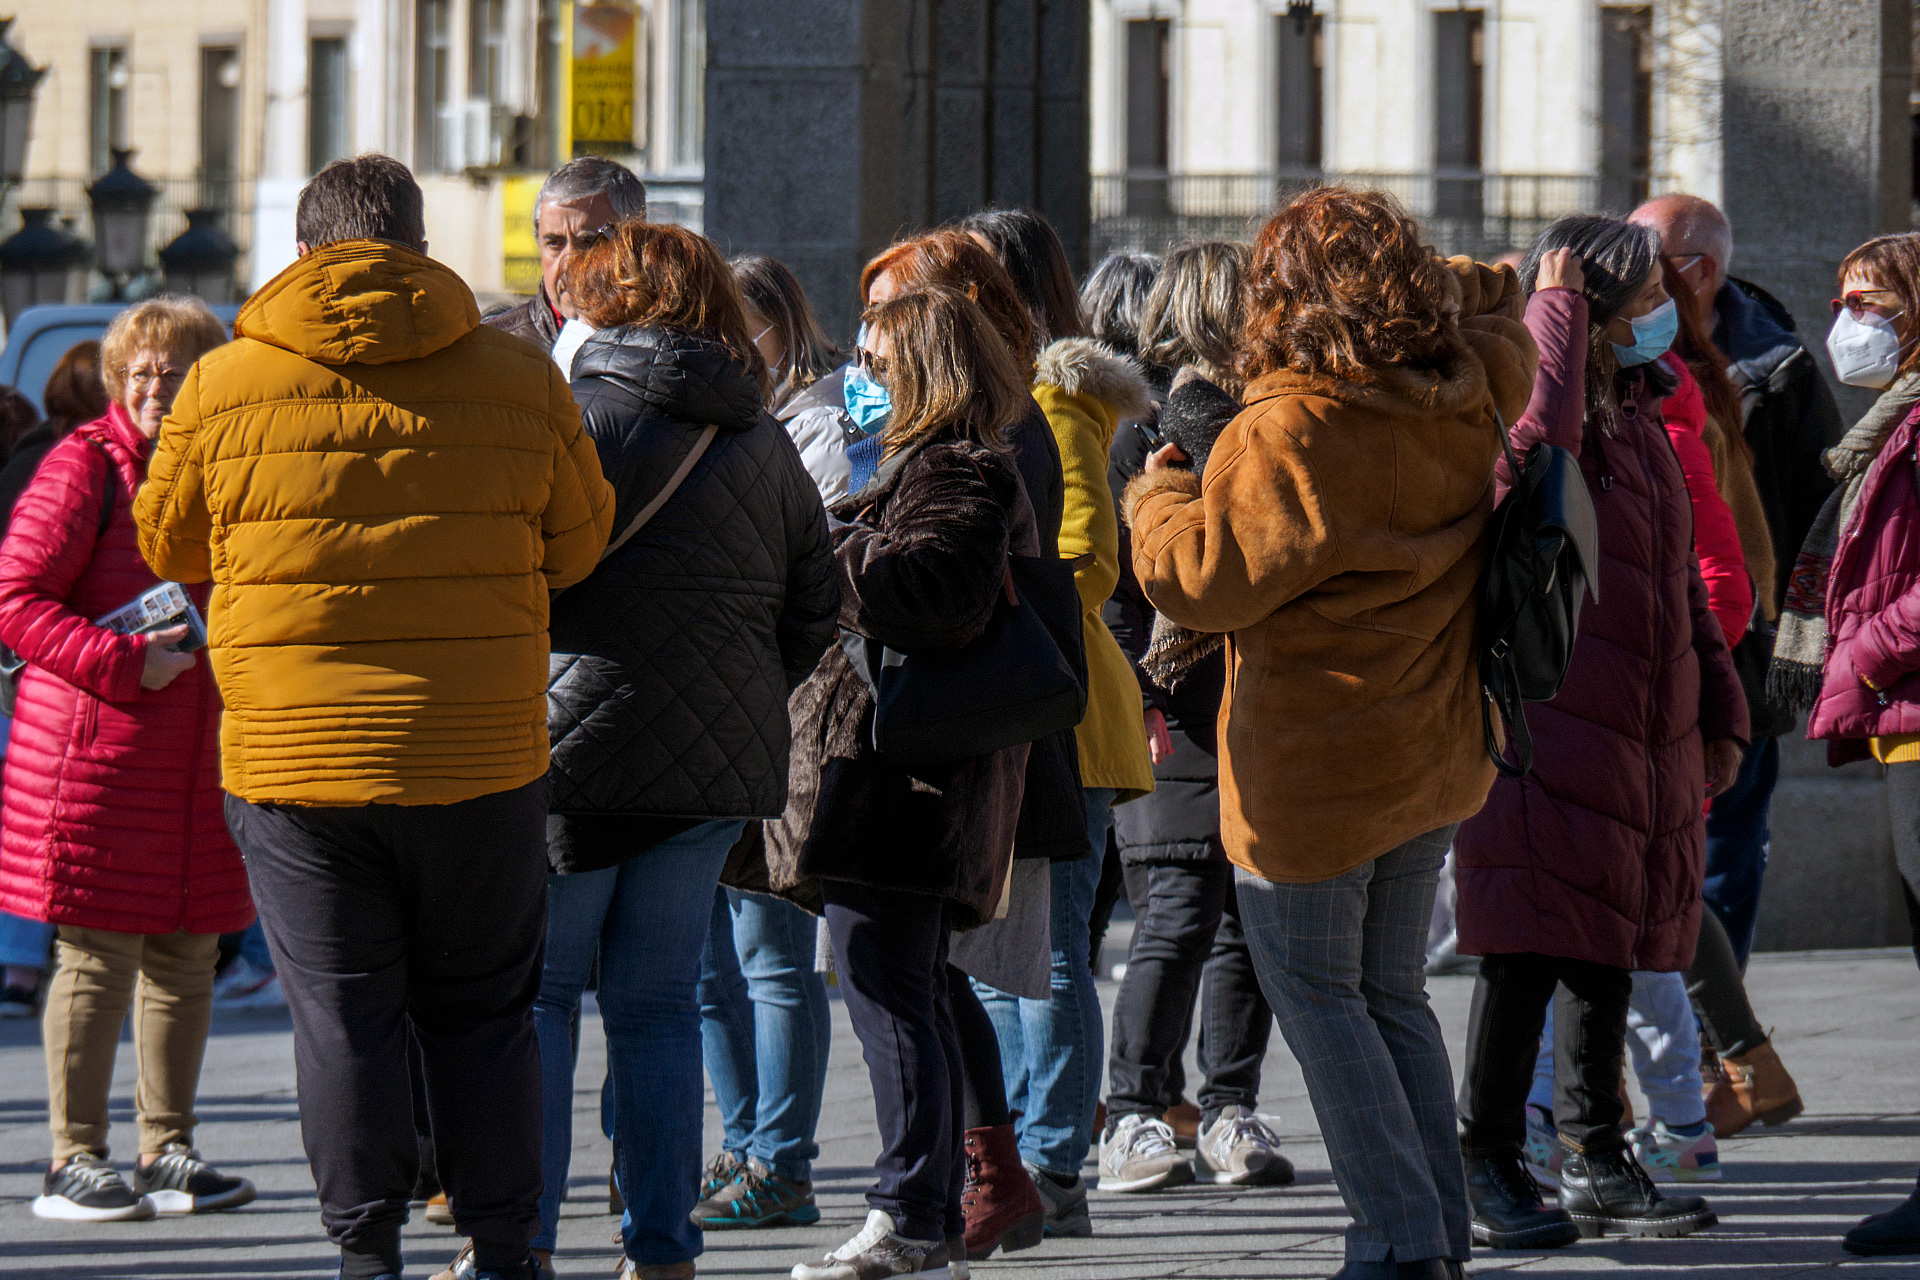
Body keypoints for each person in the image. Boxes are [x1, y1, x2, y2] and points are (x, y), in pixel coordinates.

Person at [134, 155, 615, 1280]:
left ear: (305, 254)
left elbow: (168, 543)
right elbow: (580, 542)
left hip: (295, 763)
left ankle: (367, 1250)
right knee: (486, 1011)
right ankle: (503, 1244)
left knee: (344, 1019)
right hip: (481, 753)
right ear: (419, 244)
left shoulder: (222, 384)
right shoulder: (520, 375)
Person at [1125, 185, 1537, 1279]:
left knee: (1320, 998)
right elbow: (1503, 292)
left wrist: (1155, 504)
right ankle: (1433, 1232)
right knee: (1392, 995)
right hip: (1433, 744)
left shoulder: (1289, 425)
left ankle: (1398, 1241)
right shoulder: (1464, 387)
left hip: (1316, 768)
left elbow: (1204, 583)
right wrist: (1439, 280)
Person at [499, 222, 838, 1279]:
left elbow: (521, 578)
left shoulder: (575, 420)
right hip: (711, 767)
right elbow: (818, 605)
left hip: (569, 755)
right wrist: (741, 689)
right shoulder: (761, 435)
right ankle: (663, 1248)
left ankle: (526, 1242)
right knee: (656, 1009)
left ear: (603, 308)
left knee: (545, 1000)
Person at [1453, 214, 1747, 1249]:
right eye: (1631, 300)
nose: (1656, 315)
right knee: (1529, 949)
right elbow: (1529, 451)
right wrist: (1558, 310)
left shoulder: (1648, 428)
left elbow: (1683, 593)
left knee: (1607, 955)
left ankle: (1596, 1152)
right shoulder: (1546, 413)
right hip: (1551, 726)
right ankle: (1486, 1155)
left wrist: (1720, 706)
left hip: (1637, 729)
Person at [756, 283, 1039, 1280]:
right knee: (896, 988)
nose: (859, 380)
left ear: (926, 368)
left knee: (890, 993)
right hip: (899, 786)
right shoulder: (934, 463)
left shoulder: (956, 468)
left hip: (908, 788)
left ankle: (911, 1213)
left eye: (877, 362)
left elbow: (936, 594)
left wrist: (817, 542)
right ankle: (924, 1218)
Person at [0, 297, 256, 1222]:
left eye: (177, 370)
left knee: (188, 956)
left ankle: (168, 1149)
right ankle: (74, 1159)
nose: (156, 387)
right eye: (140, 372)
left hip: (203, 763)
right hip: (97, 759)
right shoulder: (84, 467)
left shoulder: (230, 471)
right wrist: (123, 662)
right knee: (97, 959)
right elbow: (16, 599)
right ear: (117, 383)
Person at [852, 228, 1073, 1258]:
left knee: (919, 974)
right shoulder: (964, 440)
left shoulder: (978, 451)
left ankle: (941, 1191)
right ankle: (978, 1176)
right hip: (951, 745)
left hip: (942, 751)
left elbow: (941, 593)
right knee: (929, 972)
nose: (865, 355)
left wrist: (825, 552)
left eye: (882, 330)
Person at [1521, 329, 1755, 1188]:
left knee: (1624, 940)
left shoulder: (1662, 437)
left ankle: (1607, 1121)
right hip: (1595, 725)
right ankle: (1645, 1120)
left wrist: (1686, 707)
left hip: (1632, 731)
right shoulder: (1602, 433)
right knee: (1597, 940)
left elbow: (1714, 589)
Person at [962, 206, 1155, 1232]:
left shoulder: (1058, 398)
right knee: (996, 952)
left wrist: (970, 578)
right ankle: (1021, 1156)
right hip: (1012, 708)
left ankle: (1053, 1162)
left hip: (1062, 712)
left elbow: (1085, 553)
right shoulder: (972, 391)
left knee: (1050, 954)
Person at [1098, 239, 1291, 1195]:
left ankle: (1227, 1108)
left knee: (1246, 922)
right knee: (1175, 909)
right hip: (1168, 705)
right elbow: (1116, 584)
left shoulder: (1265, 424)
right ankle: (1131, 1111)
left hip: (1251, 703)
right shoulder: (1142, 430)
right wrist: (1134, 688)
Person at [1630, 194, 1843, 968]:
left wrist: (1791, 648)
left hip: (1737, 653)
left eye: (1645, 259)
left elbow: (1819, 519)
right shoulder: (1616, 358)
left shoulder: (1778, 370)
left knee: (1720, 858)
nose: (1626, 276)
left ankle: (1727, 1057)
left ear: (1701, 269)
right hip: (1640, 645)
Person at [1795, 232, 1920, 1259]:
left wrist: (1867, 656)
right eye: (1843, 298)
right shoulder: (1893, 418)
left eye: (1872, 301)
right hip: (1896, 719)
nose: (1852, 320)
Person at [0, 339, 108, 1020]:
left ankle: (18, 969)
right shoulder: (76, 464)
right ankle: (26, 966)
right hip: (60, 674)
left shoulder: (27, 461)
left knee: (26, 829)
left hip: (31, 676)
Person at [486, 156, 648, 352]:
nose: (569, 263)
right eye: (554, 243)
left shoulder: (670, 346)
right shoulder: (496, 348)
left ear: (634, 241)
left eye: (588, 243)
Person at [733, 253, 855, 502]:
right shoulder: (765, 417)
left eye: (743, 336)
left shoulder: (825, 428)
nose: (734, 351)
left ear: (788, 330)